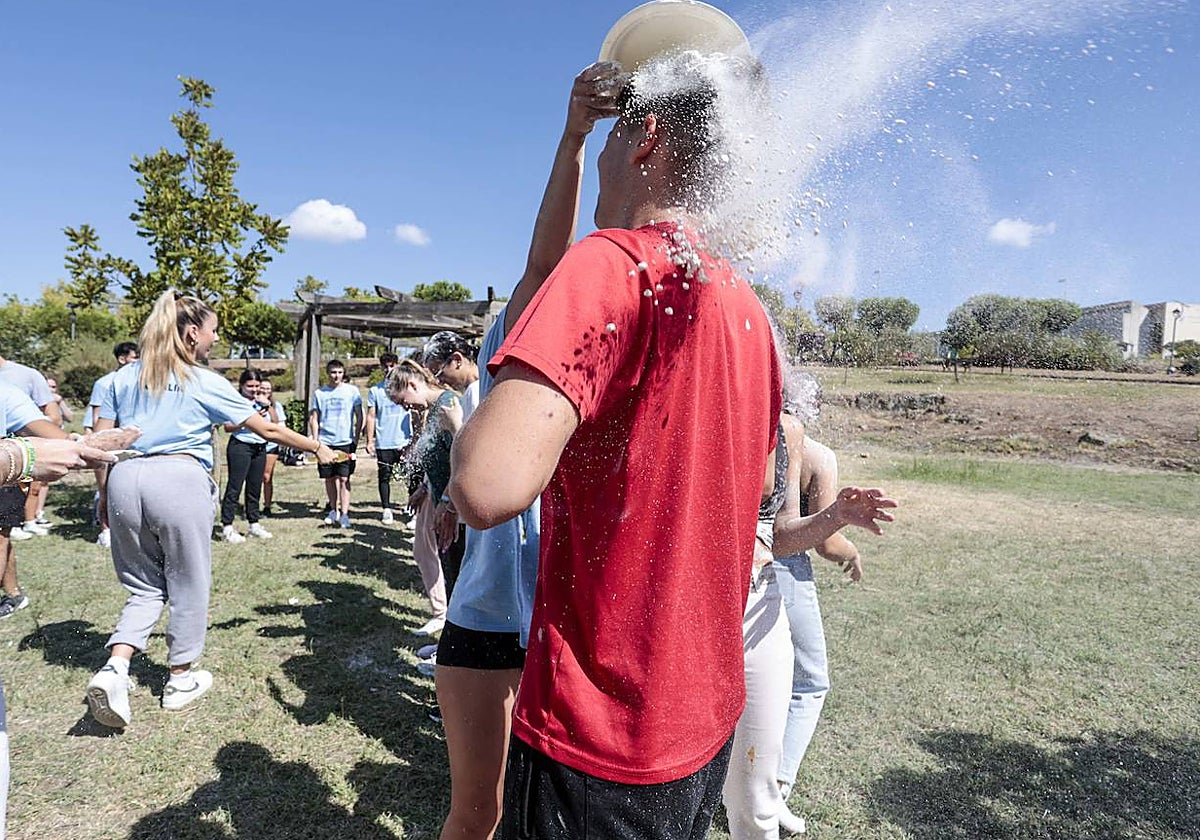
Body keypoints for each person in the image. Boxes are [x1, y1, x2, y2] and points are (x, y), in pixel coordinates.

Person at [451, 58, 783, 840]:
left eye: (608, 141)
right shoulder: (747, 310)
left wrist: (466, 420)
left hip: (600, 733)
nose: (599, 160)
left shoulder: (609, 262)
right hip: (701, 721)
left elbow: (486, 488)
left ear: (646, 142)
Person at [428, 62, 621, 840]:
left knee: (558, 816)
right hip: (490, 616)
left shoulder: (617, 358)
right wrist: (574, 138)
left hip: (579, 629)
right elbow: (544, 268)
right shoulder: (528, 337)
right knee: (480, 809)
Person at [86, 291, 336, 729]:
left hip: (125, 478)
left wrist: (104, 497)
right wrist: (317, 447)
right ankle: (179, 676)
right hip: (179, 479)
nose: (215, 339)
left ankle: (116, 668)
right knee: (188, 581)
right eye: (213, 331)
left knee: (143, 585)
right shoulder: (202, 380)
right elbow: (267, 427)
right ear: (190, 334)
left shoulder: (118, 380)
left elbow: (100, 446)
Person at [0, 383, 124, 839]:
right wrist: (23, 459)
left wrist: (80, 446)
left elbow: (51, 434)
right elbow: (35, 449)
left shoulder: (10, 384)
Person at [771, 429, 890, 835]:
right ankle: (777, 789)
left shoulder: (745, 433)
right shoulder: (817, 455)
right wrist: (853, 551)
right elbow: (822, 542)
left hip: (733, 558)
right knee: (808, 683)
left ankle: (740, 785)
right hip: (784, 570)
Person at [385, 359, 463, 636]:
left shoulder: (447, 405)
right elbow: (437, 457)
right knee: (441, 560)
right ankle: (448, 628)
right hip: (440, 496)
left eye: (402, 400)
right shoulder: (430, 410)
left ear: (412, 384)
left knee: (456, 570)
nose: (405, 407)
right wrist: (425, 488)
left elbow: (461, 458)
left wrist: (446, 501)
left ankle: (452, 630)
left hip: (454, 505)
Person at [0, 354, 61, 542]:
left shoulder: (25, 376)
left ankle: (29, 520)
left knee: (2, 541)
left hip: (14, 461)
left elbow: (53, 419)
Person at [86, 341, 140, 548]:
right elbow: (98, 418)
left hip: (131, 442)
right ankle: (105, 529)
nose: (138, 361)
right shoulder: (105, 383)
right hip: (109, 443)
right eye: (135, 357)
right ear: (122, 358)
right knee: (105, 489)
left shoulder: (140, 379)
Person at [218, 368, 276, 543]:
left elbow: (274, 421)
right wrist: (249, 420)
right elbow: (228, 426)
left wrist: (267, 405)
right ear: (242, 386)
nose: (254, 389)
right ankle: (227, 525)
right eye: (250, 386)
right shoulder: (236, 401)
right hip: (240, 446)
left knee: (255, 486)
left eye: (257, 386)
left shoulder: (262, 401)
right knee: (235, 485)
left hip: (259, 447)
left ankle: (254, 523)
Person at [308, 359, 362, 528]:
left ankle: (345, 514)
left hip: (345, 441)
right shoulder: (320, 393)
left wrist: (356, 437)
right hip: (325, 442)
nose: (336, 376)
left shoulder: (352, 391)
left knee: (344, 478)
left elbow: (359, 415)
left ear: (343, 373)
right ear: (328, 373)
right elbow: (314, 418)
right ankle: (333, 510)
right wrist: (316, 441)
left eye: (339, 372)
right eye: (333, 372)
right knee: (329, 478)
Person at [364, 353, 414, 525]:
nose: (388, 369)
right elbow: (371, 416)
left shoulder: (407, 388)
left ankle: (412, 511)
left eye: (392, 365)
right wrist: (370, 440)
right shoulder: (375, 391)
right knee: (384, 476)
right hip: (384, 441)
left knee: (411, 477)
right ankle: (386, 509)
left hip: (404, 441)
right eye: (385, 366)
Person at [29, 376, 73, 526]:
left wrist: (60, 403)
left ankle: (39, 512)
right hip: (40, 443)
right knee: (34, 482)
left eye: (53, 387)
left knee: (45, 482)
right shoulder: (35, 403)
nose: (50, 390)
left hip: (55, 444)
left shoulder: (57, 403)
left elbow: (70, 417)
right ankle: (28, 516)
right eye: (48, 387)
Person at [258, 378, 287, 516]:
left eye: (268, 389)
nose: (265, 391)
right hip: (254, 443)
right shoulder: (251, 403)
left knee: (266, 476)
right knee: (253, 477)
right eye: (262, 388)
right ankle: (251, 505)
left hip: (270, 445)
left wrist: (269, 407)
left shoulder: (276, 406)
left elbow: (278, 424)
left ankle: (267, 506)